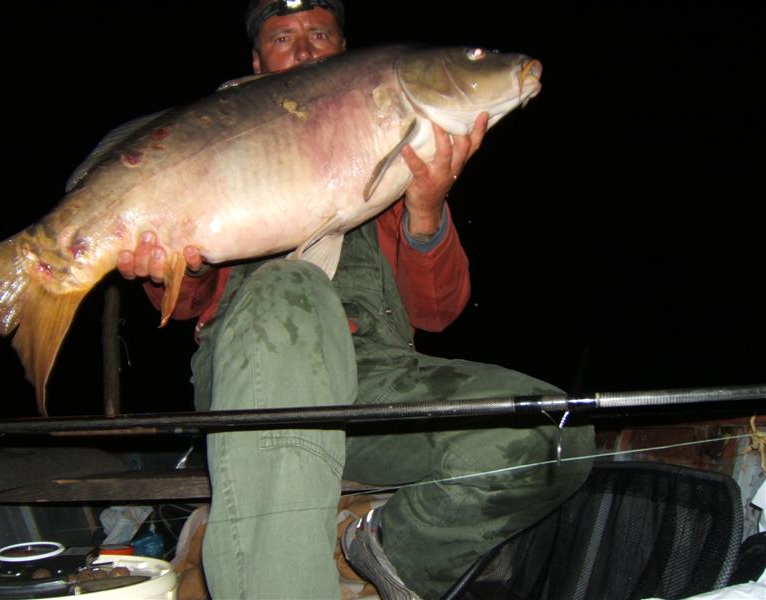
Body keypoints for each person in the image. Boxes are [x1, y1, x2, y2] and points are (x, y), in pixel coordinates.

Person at [118, 1, 595, 598]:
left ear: (344, 49)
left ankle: (369, 552)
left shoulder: (393, 157)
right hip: (250, 378)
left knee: (554, 431)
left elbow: (437, 312)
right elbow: (187, 304)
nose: (303, 48)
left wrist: (426, 208)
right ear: (256, 61)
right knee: (289, 288)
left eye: (319, 32)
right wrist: (172, 268)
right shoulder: (212, 142)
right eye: (282, 37)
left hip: (373, 383)